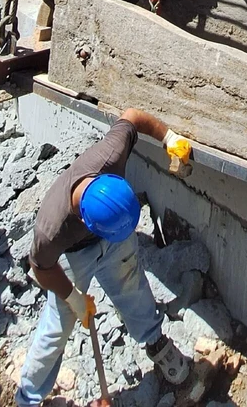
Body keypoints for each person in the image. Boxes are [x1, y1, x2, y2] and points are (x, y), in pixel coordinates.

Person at [15, 108, 192, 405]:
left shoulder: (110, 157)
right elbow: (41, 269)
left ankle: (156, 342)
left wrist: (168, 137)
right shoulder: (51, 229)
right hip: (73, 257)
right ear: (86, 222)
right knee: (58, 326)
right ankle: (28, 396)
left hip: (116, 240)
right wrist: (73, 297)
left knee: (133, 287)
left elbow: (133, 116)